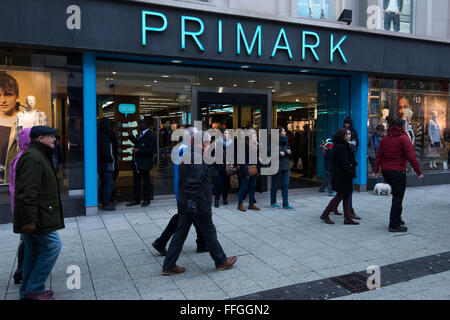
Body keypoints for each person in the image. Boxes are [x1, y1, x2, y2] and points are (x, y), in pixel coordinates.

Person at [162, 128, 237, 275]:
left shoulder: (190, 155)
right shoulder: (196, 157)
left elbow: (197, 175)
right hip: (198, 204)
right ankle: (221, 261)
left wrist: (213, 172)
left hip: (188, 203)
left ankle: (169, 265)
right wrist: (193, 203)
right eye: (209, 143)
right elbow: (193, 182)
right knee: (209, 232)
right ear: (203, 143)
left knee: (180, 234)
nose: (209, 145)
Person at [13, 126, 64, 300]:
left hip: (37, 214)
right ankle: (34, 289)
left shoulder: (38, 155)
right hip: (37, 216)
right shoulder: (33, 158)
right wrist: (29, 219)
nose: (54, 140)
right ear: (41, 138)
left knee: (32, 251)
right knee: (53, 246)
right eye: (51, 137)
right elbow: (27, 192)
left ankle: (27, 292)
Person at [152, 128, 208, 256]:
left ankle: (202, 243)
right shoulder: (185, 149)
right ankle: (161, 242)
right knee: (184, 218)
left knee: (192, 216)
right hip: (185, 189)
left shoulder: (185, 148)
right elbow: (188, 171)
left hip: (185, 189)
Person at [372, 118, 424, 233]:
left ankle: (398, 219)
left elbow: (378, 155)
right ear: (401, 127)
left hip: (387, 171)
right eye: (406, 125)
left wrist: (374, 171)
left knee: (397, 195)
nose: (407, 126)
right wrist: (419, 172)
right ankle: (394, 225)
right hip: (398, 171)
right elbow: (411, 156)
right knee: (398, 197)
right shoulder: (404, 138)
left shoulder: (385, 138)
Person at [320, 128, 359, 225]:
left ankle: (347, 218)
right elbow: (344, 163)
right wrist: (350, 170)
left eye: (350, 133)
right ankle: (325, 214)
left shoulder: (343, 145)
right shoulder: (341, 147)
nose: (350, 135)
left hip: (344, 174)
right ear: (343, 136)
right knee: (340, 196)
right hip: (342, 175)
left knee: (346, 195)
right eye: (348, 134)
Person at [9, 127, 31, 285]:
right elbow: (26, 189)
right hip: (24, 209)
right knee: (31, 241)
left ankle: (22, 270)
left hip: (21, 207)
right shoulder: (25, 160)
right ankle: (23, 271)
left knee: (27, 240)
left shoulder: (21, 157)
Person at [127, 118, 156, 207]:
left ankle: (147, 199)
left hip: (145, 163)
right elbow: (138, 143)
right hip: (137, 163)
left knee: (146, 182)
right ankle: (136, 200)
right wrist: (131, 136)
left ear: (146, 124)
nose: (139, 125)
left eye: (141, 123)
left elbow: (151, 150)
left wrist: (138, 151)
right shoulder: (141, 134)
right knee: (136, 182)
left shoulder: (150, 135)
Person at [0, 72, 23, 184]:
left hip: (15, 182)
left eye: (8, 94)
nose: (3, 100)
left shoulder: (25, 120)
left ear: (17, 95)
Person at [271, 126, 295, 210]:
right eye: (283, 131)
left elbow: (289, 150)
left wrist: (289, 152)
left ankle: (286, 203)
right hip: (277, 166)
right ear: (279, 133)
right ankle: (273, 202)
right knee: (275, 185)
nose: (285, 132)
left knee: (285, 185)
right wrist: (278, 154)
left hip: (286, 166)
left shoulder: (286, 140)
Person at [342, 116, 361, 220]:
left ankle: (348, 211)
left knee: (344, 191)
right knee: (344, 191)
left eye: (349, 133)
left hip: (349, 166)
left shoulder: (351, 141)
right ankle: (349, 212)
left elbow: (354, 146)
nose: (348, 135)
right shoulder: (341, 145)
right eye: (346, 133)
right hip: (345, 167)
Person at [98, 118, 118, 211]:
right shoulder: (103, 136)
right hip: (106, 165)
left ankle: (105, 201)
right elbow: (104, 152)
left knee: (106, 183)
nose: (110, 127)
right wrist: (111, 159)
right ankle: (105, 203)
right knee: (108, 183)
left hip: (105, 164)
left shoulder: (103, 135)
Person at [237, 129, 259, 212]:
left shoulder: (255, 145)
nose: (255, 137)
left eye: (256, 135)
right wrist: (246, 172)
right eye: (254, 136)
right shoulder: (243, 146)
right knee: (244, 187)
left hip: (253, 169)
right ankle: (240, 204)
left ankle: (251, 204)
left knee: (253, 187)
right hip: (245, 169)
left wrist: (258, 146)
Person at [213, 129, 232, 208]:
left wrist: (232, 163)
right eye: (225, 133)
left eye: (228, 133)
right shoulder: (217, 143)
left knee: (226, 184)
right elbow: (212, 154)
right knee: (219, 184)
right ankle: (216, 200)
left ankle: (225, 198)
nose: (226, 135)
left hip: (227, 167)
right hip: (219, 167)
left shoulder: (230, 143)